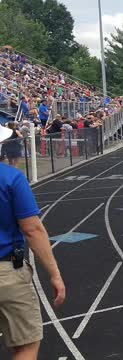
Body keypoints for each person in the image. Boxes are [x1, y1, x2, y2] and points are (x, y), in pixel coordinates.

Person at [0, 126, 66, 360]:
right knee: (27, 344)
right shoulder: (10, 178)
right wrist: (54, 273)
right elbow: (33, 229)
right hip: (6, 272)